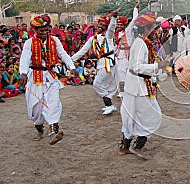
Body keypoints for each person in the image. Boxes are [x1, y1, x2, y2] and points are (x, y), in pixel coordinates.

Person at [18, 15, 78, 145]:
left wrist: (72, 67)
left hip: (50, 77)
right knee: (35, 108)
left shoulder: (55, 41)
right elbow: (25, 58)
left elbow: (63, 54)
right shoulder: (29, 43)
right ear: (35, 30)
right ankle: (40, 128)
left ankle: (54, 131)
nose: (45, 33)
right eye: (41, 30)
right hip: (35, 76)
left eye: (46, 30)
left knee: (53, 101)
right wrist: (22, 73)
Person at [118, 13, 169, 157]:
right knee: (151, 115)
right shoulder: (140, 44)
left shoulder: (143, 42)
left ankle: (128, 145)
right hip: (137, 85)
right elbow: (136, 67)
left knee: (132, 116)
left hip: (140, 85)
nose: (157, 31)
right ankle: (134, 145)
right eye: (154, 28)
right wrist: (157, 66)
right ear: (146, 29)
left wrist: (158, 70)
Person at [72, 13, 118, 115]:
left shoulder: (108, 36)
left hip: (109, 63)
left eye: (103, 25)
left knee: (97, 84)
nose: (101, 27)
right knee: (105, 85)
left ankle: (109, 104)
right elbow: (82, 51)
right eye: (100, 24)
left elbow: (112, 28)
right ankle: (109, 104)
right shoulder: (92, 38)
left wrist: (114, 18)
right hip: (101, 63)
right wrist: (70, 60)